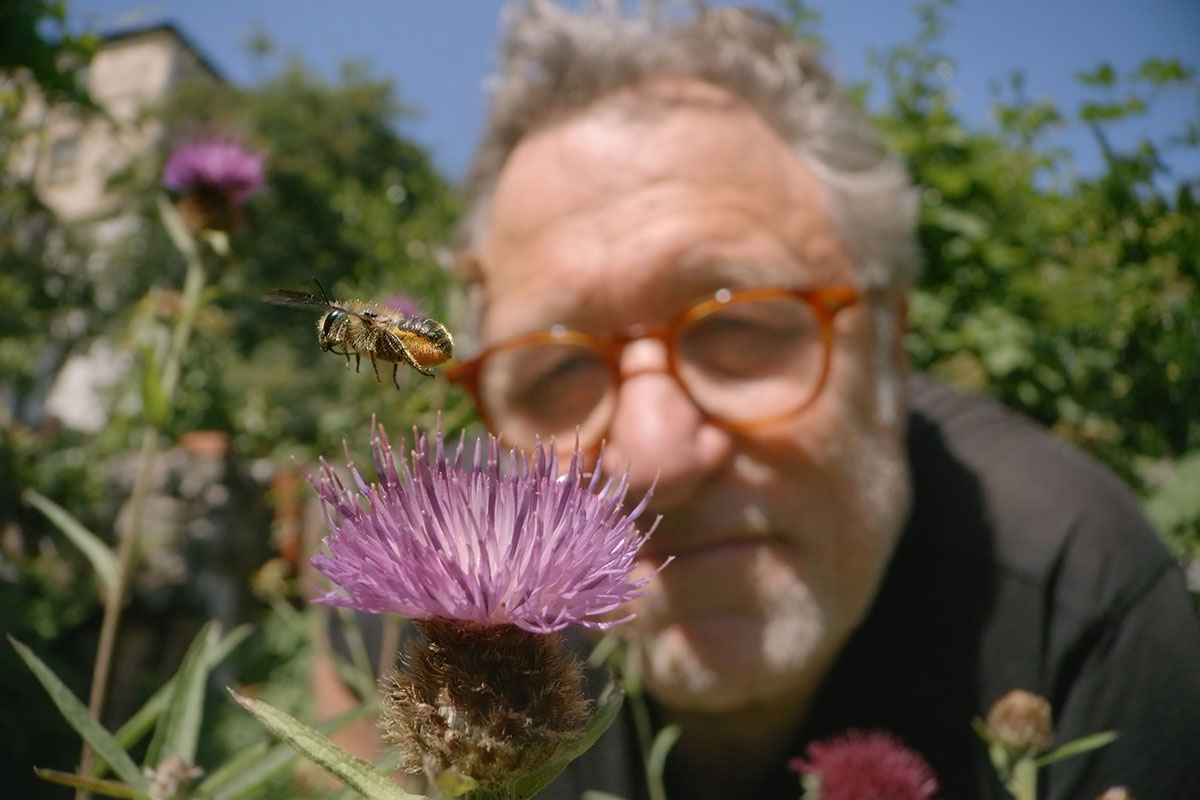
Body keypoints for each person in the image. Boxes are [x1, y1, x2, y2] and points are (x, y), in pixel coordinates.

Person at [430, 2, 1200, 799]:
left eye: (740, 325)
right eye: (556, 368)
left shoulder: (1085, 597)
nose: (655, 458)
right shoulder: (434, 576)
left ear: (889, 349)